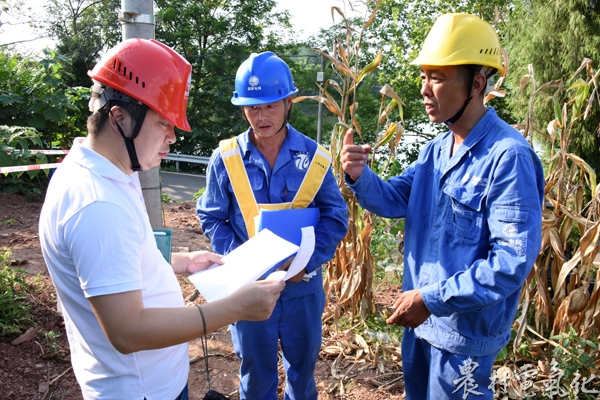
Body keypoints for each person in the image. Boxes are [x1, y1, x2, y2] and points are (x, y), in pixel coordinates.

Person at [38, 39, 285, 400]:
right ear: (119, 117)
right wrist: (233, 307)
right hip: (140, 389)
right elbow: (128, 331)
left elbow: (114, 262)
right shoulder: (97, 205)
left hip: (152, 381)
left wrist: (180, 262)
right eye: (162, 122)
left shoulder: (110, 173)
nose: (172, 136)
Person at [341, 13, 544, 399]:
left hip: (461, 336)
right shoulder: (435, 151)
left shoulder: (508, 157)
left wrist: (431, 299)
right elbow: (395, 198)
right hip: (421, 325)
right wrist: (358, 174)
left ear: (477, 84)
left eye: (438, 77)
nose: (424, 89)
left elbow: (510, 263)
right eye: (423, 77)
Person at [196, 51, 348, 399]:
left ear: (288, 102)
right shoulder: (226, 158)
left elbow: (335, 216)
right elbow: (212, 216)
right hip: (249, 289)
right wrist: (242, 261)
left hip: (302, 289)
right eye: (252, 107)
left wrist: (302, 264)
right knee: (256, 374)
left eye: (270, 106)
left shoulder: (313, 157)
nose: (260, 116)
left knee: (302, 374)